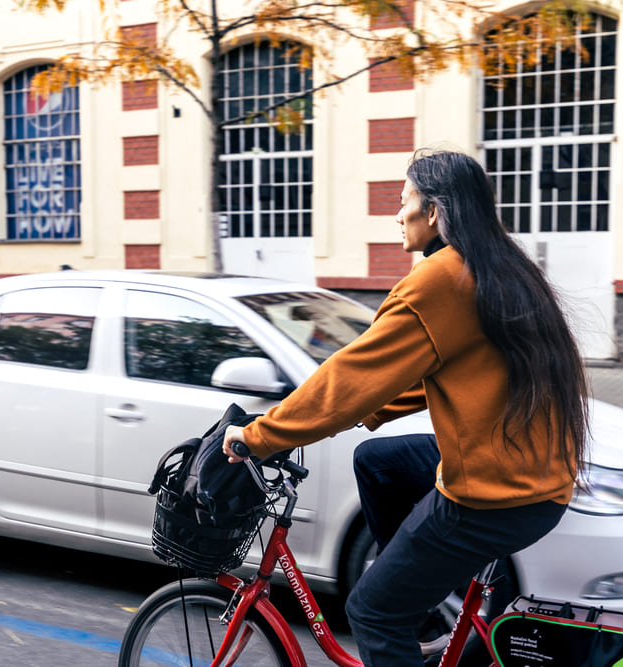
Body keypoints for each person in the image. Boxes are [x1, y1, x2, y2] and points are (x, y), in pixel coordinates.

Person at [222, 148, 590, 666]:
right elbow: (443, 376)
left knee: (372, 611)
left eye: (404, 200)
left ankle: (401, 612)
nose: (398, 214)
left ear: (435, 211)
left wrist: (261, 436)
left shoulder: (441, 279)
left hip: (495, 491)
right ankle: (418, 608)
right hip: (534, 477)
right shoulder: (501, 264)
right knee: (378, 460)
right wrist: (360, 411)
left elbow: (351, 375)